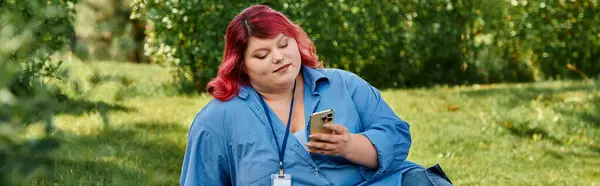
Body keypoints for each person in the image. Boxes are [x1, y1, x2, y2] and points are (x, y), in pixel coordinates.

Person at [180, 5, 453, 186]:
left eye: (284, 44)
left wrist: (349, 146)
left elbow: (397, 136)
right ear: (241, 65)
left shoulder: (341, 84)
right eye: (262, 55)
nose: (279, 57)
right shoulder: (216, 120)